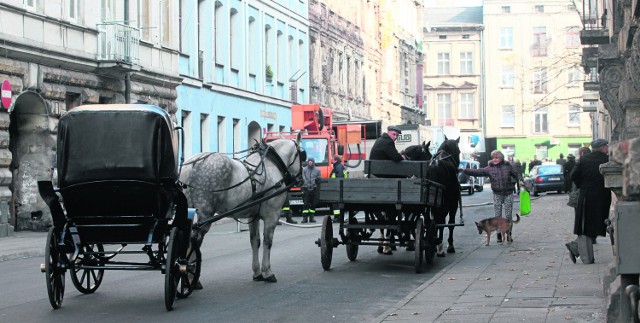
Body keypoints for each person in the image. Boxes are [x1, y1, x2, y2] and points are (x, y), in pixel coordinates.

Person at [461, 150, 525, 243]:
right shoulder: (489, 168)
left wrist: (521, 180)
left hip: (508, 193)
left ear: (501, 158)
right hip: (497, 194)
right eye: (493, 157)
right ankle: (499, 235)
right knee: (497, 216)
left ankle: (509, 235)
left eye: (497, 157)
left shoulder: (508, 167)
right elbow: (477, 171)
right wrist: (465, 170)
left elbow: (517, 174)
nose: (494, 159)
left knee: (508, 216)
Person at [565, 139, 611, 264]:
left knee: (586, 225)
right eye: (606, 146)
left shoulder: (583, 160)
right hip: (603, 196)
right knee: (596, 223)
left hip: (586, 196)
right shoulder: (608, 159)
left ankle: (577, 249)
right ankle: (585, 256)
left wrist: (582, 185)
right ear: (602, 148)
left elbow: (573, 175)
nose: (608, 147)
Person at [369, 125, 404, 254]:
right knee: (403, 177)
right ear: (389, 133)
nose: (395, 138)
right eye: (394, 135)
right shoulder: (387, 142)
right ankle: (387, 242)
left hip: (374, 174)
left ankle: (383, 238)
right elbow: (396, 158)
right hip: (381, 176)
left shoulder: (380, 140)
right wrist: (403, 158)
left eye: (396, 136)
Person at [301, 157, 322, 223]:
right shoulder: (304, 170)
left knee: (313, 204)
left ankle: (312, 217)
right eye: (309, 161)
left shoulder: (317, 170)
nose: (310, 162)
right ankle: (305, 218)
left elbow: (319, 180)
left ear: (313, 162)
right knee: (306, 204)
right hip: (306, 188)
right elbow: (302, 179)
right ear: (308, 162)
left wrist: (316, 184)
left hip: (314, 189)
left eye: (311, 161)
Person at [329, 155, 347, 222]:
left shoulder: (338, 167)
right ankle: (338, 217)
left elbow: (339, 178)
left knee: (336, 203)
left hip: (338, 188)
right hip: (339, 187)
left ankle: (337, 217)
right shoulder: (338, 166)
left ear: (336, 160)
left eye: (332, 159)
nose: (331, 160)